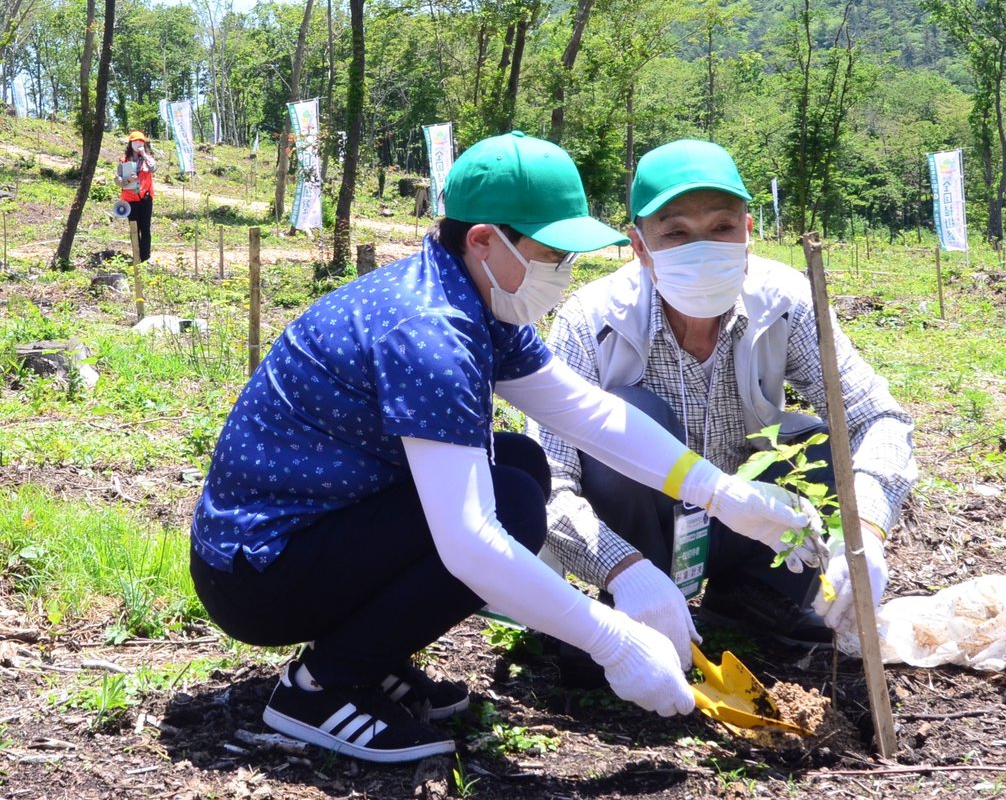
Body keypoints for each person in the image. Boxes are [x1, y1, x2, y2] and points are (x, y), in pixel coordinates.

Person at [189, 131, 828, 765]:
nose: (565, 274)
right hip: (259, 572)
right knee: (509, 503)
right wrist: (614, 642)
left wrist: (718, 493)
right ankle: (321, 688)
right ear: (485, 241)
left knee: (518, 468)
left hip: (316, 534)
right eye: (553, 254)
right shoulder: (431, 333)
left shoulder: (475, 300)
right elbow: (468, 541)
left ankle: (365, 657)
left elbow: (586, 412)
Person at [527, 139, 916, 655]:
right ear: (639, 246)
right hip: (637, 533)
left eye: (721, 227)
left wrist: (864, 530)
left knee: (824, 447)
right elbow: (549, 483)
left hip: (753, 523)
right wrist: (620, 569)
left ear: (748, 233)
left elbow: (877, 418)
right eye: (676, 233)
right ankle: (637, 597)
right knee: (628, 420)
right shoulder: (592, 320)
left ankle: (753, 595)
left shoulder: (784, 303)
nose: (703, 248)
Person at [116, 130, 156, 261]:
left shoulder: (147, 159)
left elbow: (153, 168)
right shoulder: (123, 161)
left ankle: (146, 257)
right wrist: (128, 180)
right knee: (134, 229)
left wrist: (144, 154)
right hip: (130, 201)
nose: (138, 144)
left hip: (145, 199)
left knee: (145, 229)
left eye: (141, 142)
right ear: (130, 143)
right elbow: (118, 181)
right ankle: (137, 257)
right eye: (136, 142)